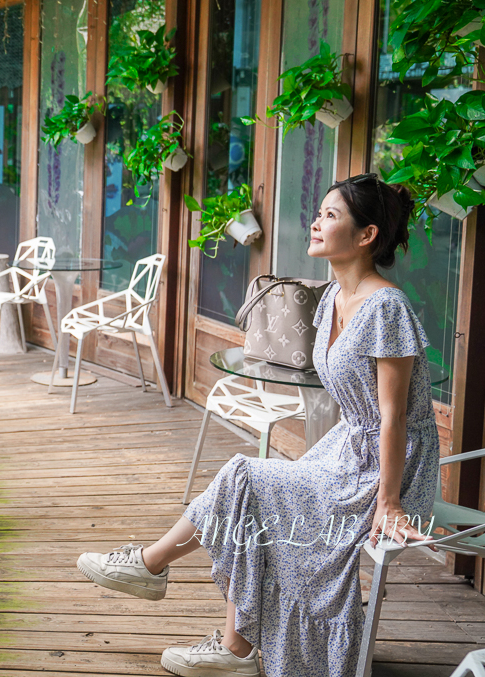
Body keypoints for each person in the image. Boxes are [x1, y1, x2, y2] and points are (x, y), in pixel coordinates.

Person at [75, 174, 439, 677]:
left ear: (366, 236)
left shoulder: (386, 308)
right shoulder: (333, 297)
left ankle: (156, 570)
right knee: (255, 490)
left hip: (389, 468)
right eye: (319, 211)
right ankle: (232, 644)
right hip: (349, 449)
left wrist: (391, 501)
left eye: (331, 216)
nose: (315, 222)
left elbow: (395, 419)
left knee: (249, 475)